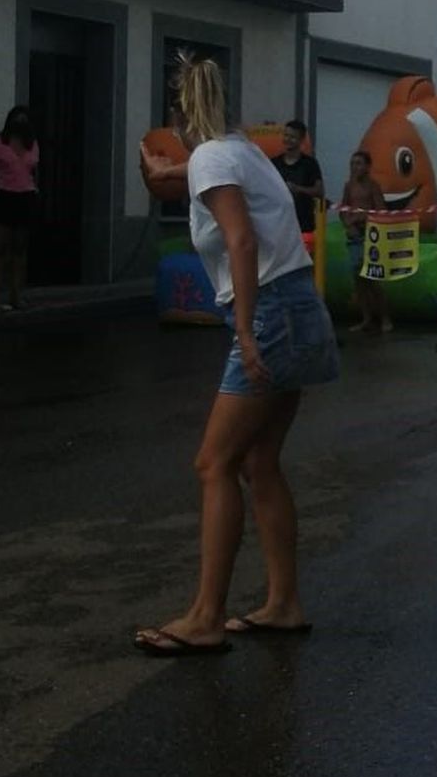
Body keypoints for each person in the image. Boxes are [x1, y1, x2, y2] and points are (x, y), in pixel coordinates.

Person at [135, 56, 339, 655]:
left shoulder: (211, 158)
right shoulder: (243, 151)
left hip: (270, 312)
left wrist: (245, 334)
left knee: (213, 464)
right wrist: (159, 169)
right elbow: (182, 175)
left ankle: (204, 617)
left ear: (179, 115)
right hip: (300, 305)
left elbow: (240, 239)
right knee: (259, 462)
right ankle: (282, 603)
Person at [0, 106, 40, 312]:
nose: (21, 123)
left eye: (25, 120)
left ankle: (17, 295)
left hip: (25, 197)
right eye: (17, 119)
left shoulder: (32, 145)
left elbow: (33, 170)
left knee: (19, 249)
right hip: (2, 197)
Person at [338, 148, 390, 333]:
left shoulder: (373, 186)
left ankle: (384, 318)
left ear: (367, 167)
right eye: (352, 164)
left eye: (358, 163)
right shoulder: (348, 186)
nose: (354, 167)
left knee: (373, 279)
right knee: (358, 281)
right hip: (354, 237)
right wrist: (348, 224)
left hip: (370, 237)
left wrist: (360, 218)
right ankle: (366, 318)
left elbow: (381, 210)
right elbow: (343, 209)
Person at [276, 119, 326, 235]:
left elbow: (320, 191)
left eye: (292, 137)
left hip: (304, 224)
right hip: (280, 223)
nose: (288, 139)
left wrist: (297, 189)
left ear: (301, 140)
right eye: (286, 135)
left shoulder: (310, 164)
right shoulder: (274, 163)